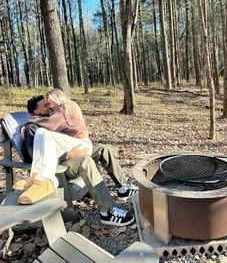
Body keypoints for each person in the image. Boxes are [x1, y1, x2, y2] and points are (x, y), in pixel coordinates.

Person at [14, 89, 137, 226]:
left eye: (49, 104)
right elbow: (36, 155)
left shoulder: (52, 118)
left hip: (69, 155)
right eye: (45, 106)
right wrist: (68, 154)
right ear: (36, 112)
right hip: (59, 166)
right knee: (85, 161)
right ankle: (107, 211)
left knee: (102, 148)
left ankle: (124, 187)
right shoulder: (34, 128)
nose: (49, 107)